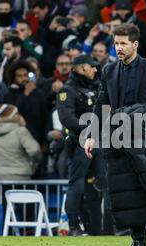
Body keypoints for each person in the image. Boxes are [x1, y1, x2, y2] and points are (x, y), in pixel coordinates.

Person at [84, 24, 146, 246]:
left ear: (135, 44)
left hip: (144, 137)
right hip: (117, 137)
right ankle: (138, 244)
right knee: (124, 192)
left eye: (123, 43)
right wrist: (91, 135)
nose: (119, 48)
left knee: (141, 188)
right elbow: (101, 105)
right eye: (116, 43)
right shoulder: (109, 70)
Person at [57, 54, 107, 236]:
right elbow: (67, 119)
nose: (95, 69)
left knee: (104, 181)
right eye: (92, 66)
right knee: (76, 184)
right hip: (79, 142)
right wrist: (91, 127)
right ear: (80, 68)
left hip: (99, 142)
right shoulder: (67, 91)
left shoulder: (98, 88)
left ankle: (102, 226)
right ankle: (73, 225)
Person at [0, 104, 42, 180]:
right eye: (17, 113)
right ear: (14, 115)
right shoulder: (20, 131)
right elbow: (34, 150)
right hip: (21, 175)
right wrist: (35, 162)